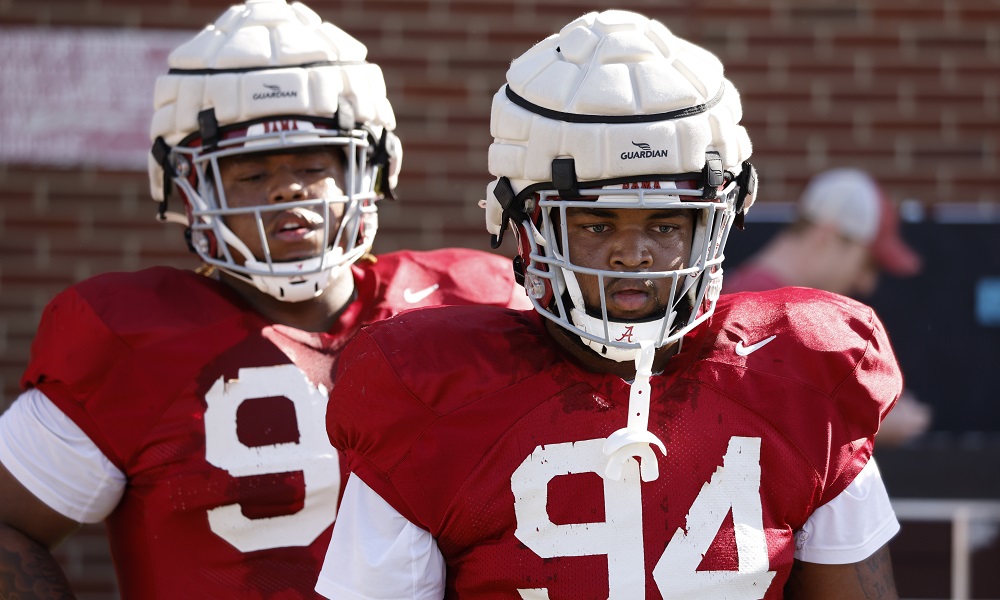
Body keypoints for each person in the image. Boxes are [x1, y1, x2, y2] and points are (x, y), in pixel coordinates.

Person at [318, 10, 902, 599]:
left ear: (718, 221)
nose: (633, 254)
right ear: (530, 228)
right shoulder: (432, 397)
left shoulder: (804, 379)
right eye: (596, 225)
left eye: (666, 222)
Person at [0, 1, 528, 598]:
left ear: (372, 169)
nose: (286, 190)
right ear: (188, 191)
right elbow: (10, 522)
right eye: (250, 174)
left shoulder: (472, 307)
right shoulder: (131, 341)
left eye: (312, 164)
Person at [723, 168, 932, 447]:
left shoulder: (765, 300)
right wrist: (868, 423)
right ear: (826, 236)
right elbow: (756, 431)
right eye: (868, 263)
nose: (866, 283)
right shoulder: (764, 307)